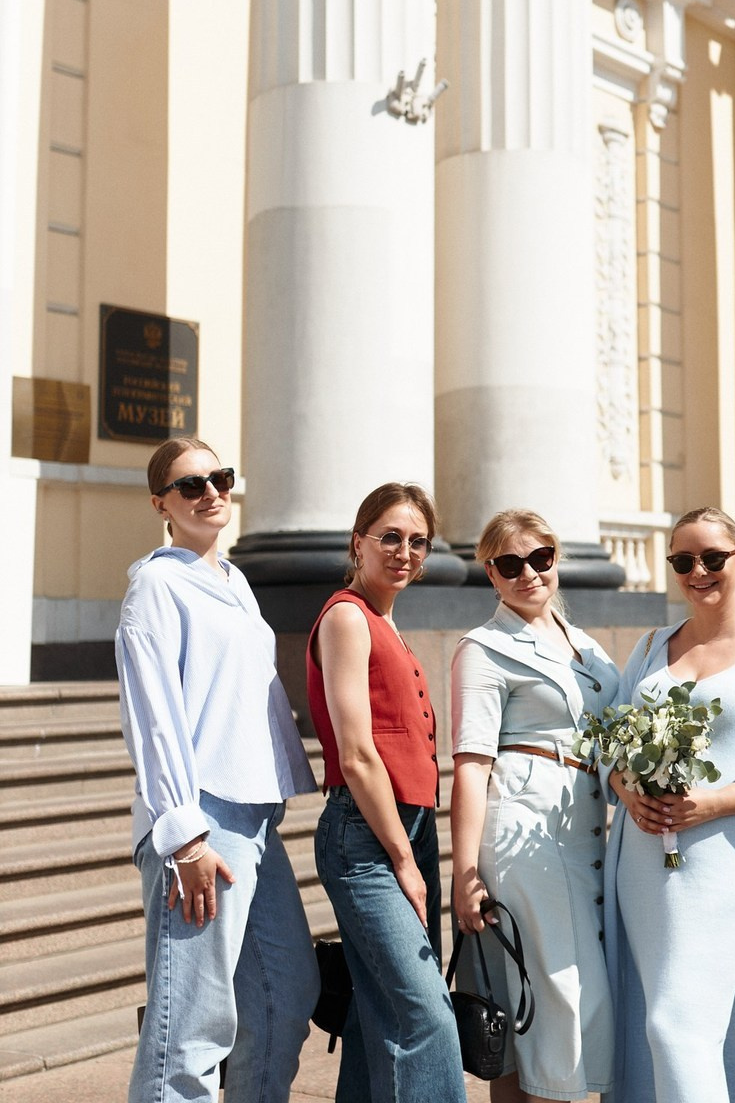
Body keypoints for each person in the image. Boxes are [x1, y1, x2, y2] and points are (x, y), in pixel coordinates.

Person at [116, 436, 318, 1102]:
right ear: (161, 505)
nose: (211, 493)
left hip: (254, 815)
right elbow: (154, 717)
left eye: (220, 478)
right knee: (189, 1029)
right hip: (200, 820)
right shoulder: (156, 584)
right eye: (190, 485)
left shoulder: (234, 580)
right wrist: (184, 835)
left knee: (286, 995)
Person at [603, 506, 735, 1103]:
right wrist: (627, 791)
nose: (698, 571)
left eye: (712, 558)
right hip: (643, 867)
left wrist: (713, 802)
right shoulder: (650, 647)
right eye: (682, 561)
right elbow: (611, 740)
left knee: (674, 1026)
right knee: (669, 1023)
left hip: (726, 860)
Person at [450, 509, 620, 1101]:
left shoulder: (589, 649)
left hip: (581, 832)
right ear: (490, 574)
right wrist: (465, 872)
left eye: (540, 558)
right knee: (559, 996)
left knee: (532, 1005)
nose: (528, 574)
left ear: (556, 558)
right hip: (525, 833)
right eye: (509, 564)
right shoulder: (484, 648)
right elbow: (472, 764)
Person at [307, 483, 466, 1103]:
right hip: (368, 836)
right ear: (359, 543)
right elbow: (356, 751)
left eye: (417, 542)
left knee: (375, 1015)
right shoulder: (348, 615)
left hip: (409, 829)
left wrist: (415, 847)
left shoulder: (386, 624)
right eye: (390, 537)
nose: (404, 551)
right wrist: (403, 856)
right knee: (423, 1015)